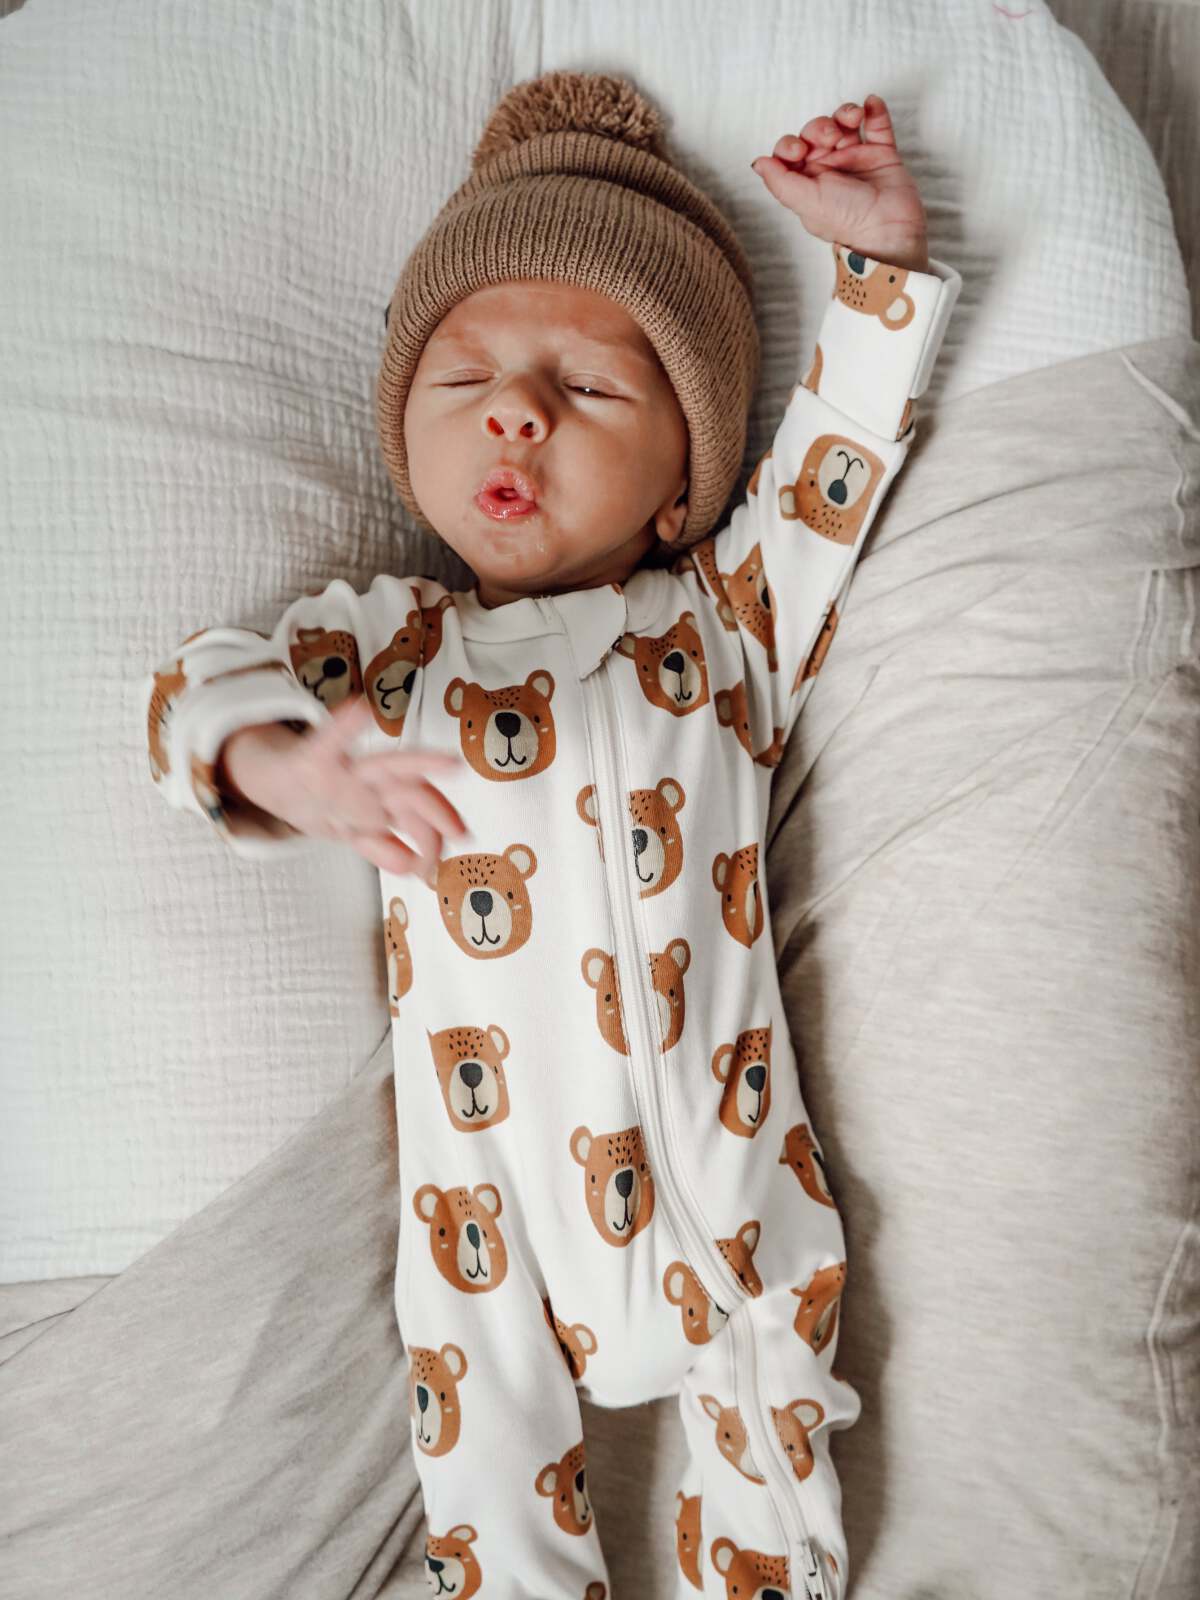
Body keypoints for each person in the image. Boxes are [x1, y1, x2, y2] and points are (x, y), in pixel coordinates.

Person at [142, 70, 959, 1600]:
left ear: (682, 488)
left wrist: (881, 273)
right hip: (485, 1210)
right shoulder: (387, 649)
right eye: (468, 383)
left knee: (778, 1457)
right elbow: (190, 676)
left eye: (588, 390)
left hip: (731, 1189)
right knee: (490, 1491)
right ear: (408, 436)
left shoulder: (725, 622)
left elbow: (837, 473)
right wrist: (278, 759)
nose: (518, 407)